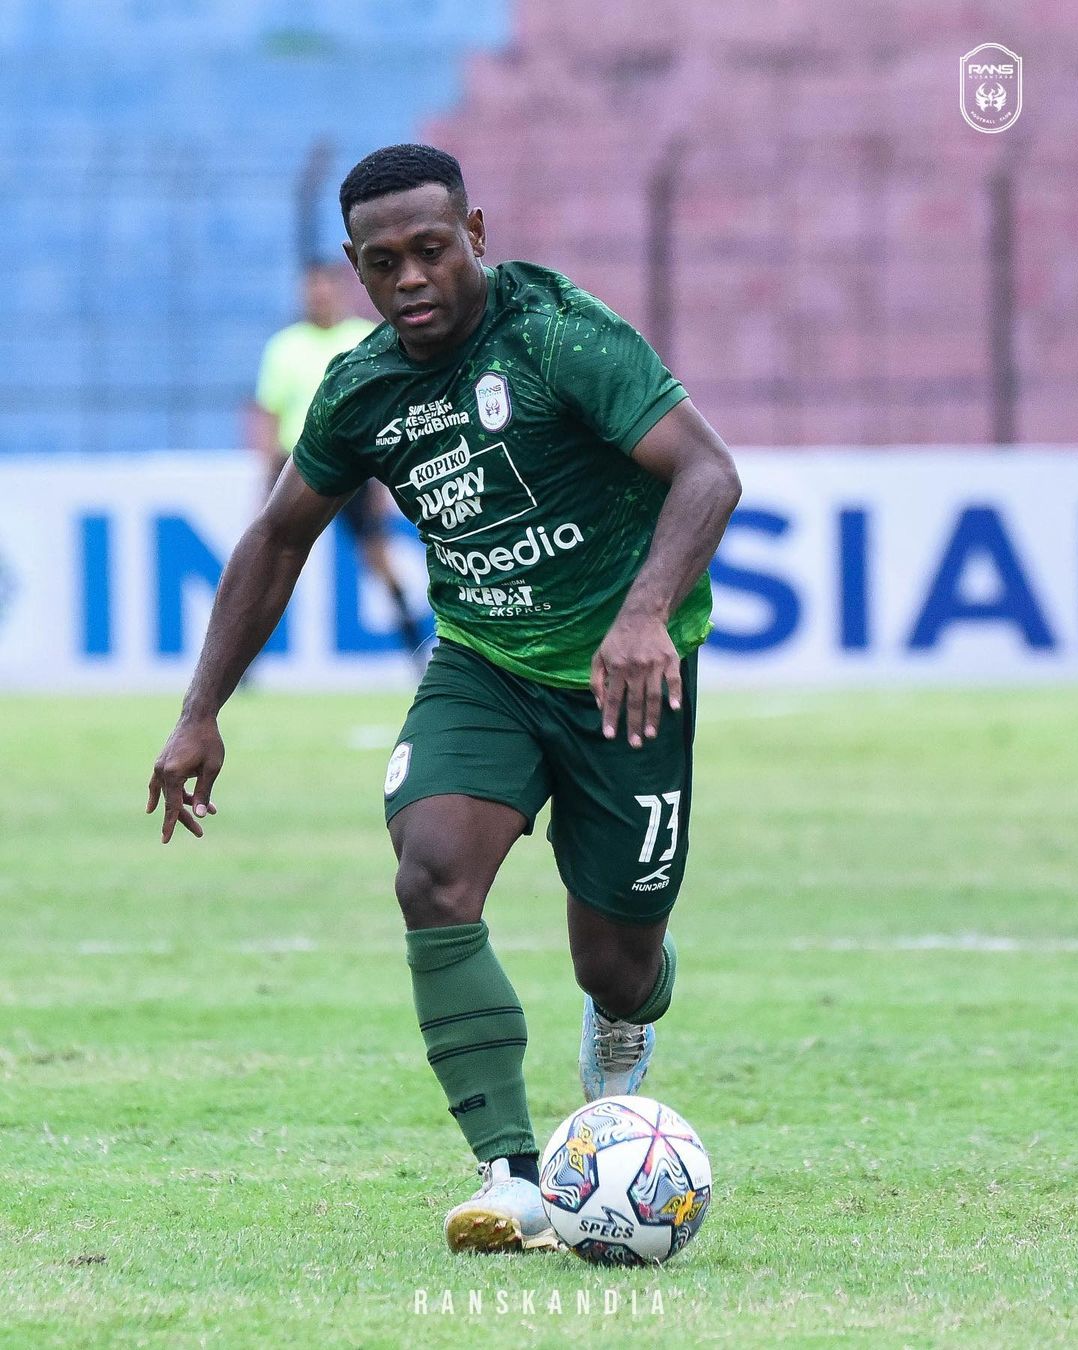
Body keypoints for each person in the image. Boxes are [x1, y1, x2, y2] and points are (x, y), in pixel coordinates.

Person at [147, 143, 742, 1255]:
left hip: (625, 674)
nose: (411, 277)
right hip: (484, 663)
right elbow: (277, 538)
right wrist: (200, 710)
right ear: (356, 268)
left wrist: (645, 612)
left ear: (474, 232)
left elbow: (708, 470)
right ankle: (512, 1175)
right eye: (384, 263)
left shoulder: (559, 335)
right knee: (431, 871)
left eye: (430, 249)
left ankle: (625, 1012)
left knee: (614, 962)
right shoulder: (363, 387)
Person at [249, 258, 425, 668]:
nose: (319, 295)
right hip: (296, 467)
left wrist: (383, 479)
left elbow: (385, 413)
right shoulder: (284, 347)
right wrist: (266, 476)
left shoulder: (363, 339)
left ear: (340, 289)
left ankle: (416, 651)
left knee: (378, 557)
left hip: (356, 466)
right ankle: (244, 666)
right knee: (273, 562)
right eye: (312, 288)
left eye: (325, 287)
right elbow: (269, 415)